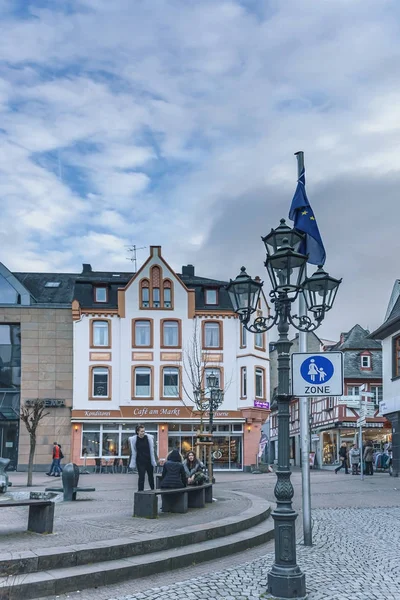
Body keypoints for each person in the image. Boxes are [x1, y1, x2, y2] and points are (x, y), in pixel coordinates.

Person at [129, 424, 157, 491]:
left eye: (144, 431)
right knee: (141, 477)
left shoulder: (148, 438)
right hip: (140, 461)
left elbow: (152, 450)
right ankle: (140, 492)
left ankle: (153, 490)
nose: (143, 433)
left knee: (151, 476)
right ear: (138, 432)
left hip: (148, 461)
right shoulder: (134, 439)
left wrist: (155, 459)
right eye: (141, 431)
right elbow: (133, 451)